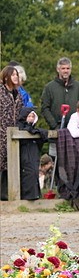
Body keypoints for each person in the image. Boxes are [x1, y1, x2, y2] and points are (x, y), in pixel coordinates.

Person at [0, 65, 21, 199]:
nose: (16, 77)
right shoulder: (1, 92)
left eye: (17, 75)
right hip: (1, 132)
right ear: (6, 77)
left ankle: (5, 194)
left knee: (10, 164)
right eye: (13, 75)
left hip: (13, 134)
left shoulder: (18, 94)